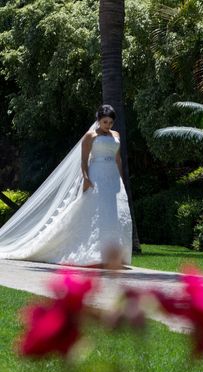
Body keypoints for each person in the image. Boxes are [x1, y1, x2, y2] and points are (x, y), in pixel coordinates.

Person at [0, 105, 132, 267]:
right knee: (97, 212)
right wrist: (86, 178)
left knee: (114, 215)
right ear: (98, 120)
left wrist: (121, 177)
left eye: (111, 122)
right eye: (105, 122)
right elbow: (83, 160)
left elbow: (117, 158)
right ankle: (95, 253)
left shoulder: (116, 135)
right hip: (97, 174)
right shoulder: (90, 136)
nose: (108, 125)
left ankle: (113, 254)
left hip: (113, 178)